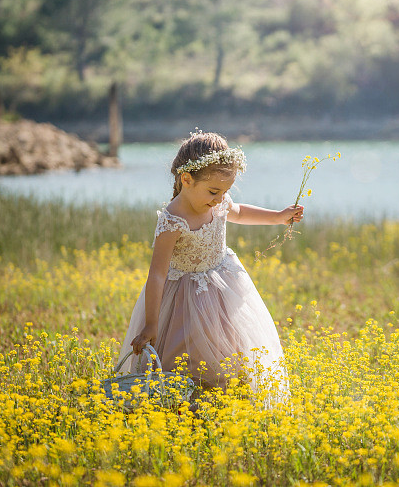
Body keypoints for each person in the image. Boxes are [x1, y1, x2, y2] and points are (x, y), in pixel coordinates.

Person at [117, 130, 302, 403]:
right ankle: (183, 401)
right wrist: (152, 323)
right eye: (214, 192)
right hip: (183, 297)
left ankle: (225, 400)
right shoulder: (173, 220)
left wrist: (278, 217)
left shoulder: (219, 202)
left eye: (225, 192)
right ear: (186, 179)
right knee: (184, 354)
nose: (219, 199)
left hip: (222, 287)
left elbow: (239, 211)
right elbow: (157, 274)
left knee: (228, 347)